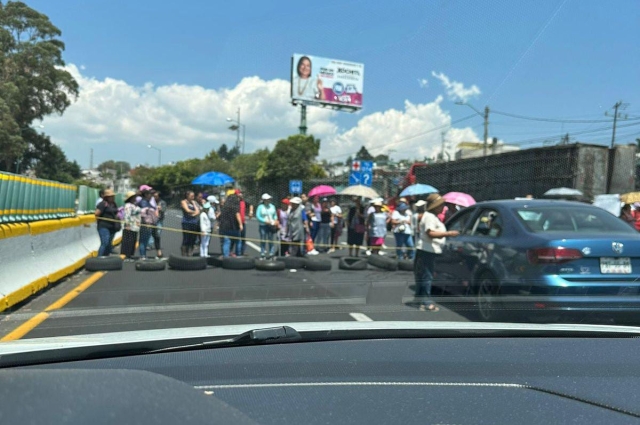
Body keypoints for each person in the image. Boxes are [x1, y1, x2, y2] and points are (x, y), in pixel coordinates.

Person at [415, 193, 460, 312]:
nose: (442, 207)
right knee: (427, 276)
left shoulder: (432, 216)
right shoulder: (429, 216)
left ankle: (420, 299)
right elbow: (430, 233)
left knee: (424, 275)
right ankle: (426, 302)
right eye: (440, 205)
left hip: (429, 250)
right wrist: (448, 234)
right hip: (427, 249)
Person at [94, 189, 119, 257]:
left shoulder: (114, 204)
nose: (113, 198)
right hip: (104, 226)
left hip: (112, 226)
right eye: (111, 196)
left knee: (109, 244)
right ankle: (99, 257)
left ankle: (106, 256)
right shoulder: (103, 204)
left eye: (113, 196)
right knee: (105, 242)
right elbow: (96, 214)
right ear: (107, 197)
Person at [219, 192, 243, 257]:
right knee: (238, 241)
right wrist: (240, 224)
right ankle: (238, 255)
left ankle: (226, 256)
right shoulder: (235, 206)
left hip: (225, 227)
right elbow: (237, 214)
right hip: (234, 227)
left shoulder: (225, 207)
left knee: (226, 242)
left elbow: (220, 216)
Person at [256, 193, 278, 259]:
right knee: (263, 239)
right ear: (264, 200)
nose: (268, 200)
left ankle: (271, 253)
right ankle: (262, 253)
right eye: (267, 199)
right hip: (263, 225)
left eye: (269, 199)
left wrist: (275, 220)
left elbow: (275, 214)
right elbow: (258, 216)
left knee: (271, 239)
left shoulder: (272, 206)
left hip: (271, 225)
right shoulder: (260, 207)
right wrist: (264, 221)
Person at [137, 190, 158, 259]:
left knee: (146, 240)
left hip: (150, 223)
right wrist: (146, 223)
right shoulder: (143, 202)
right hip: (146, 224)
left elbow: (153, 208)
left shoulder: (147, 202)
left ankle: (144, 255)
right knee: (143, 240)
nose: (151, 196)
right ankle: (142, 255)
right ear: (146, 195)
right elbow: (144, 213)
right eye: (150, 194)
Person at [122, 191, 141, 262]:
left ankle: (131, 255)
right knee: (128, 241)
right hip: (130, 226)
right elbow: (127, 216)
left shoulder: (134, 205)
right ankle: (127, 256)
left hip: (135, 226)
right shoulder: (128, 205)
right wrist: (127, 225)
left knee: (133, 241)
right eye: (134, 197)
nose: (135, 198)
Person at [180, 191, 200, 256]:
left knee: (193, 239)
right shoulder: (184, 202)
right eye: (191, 196)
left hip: (194, 222)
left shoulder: (194, 202)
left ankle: (190, 253)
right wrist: (194, 212)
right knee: (186, 238)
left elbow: (198, 211)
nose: (193, 197)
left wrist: (194, 204)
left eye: (193, 196)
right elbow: (187, 210)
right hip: (186, 222)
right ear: (187, 196)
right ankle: (184, 253)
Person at [153, 191, 167, 258]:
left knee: (157, 235)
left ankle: (158, 252)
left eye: (156, 196)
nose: (154, 197)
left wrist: (159, 208)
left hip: (159, 221)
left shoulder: (162, 202)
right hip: (151, 221)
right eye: (154, 196)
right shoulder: (151, 202)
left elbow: (163, 209)